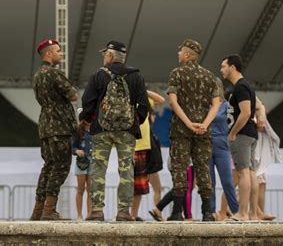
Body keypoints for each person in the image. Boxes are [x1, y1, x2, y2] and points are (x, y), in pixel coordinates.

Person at [79, 40, 148, 221]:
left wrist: (87, 120)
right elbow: (144, 106)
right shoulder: (136, 76)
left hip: (101, 130)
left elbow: (87, 102)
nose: (103, 57)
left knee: (98, 168)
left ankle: (96, 211)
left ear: (110, 56)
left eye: (105, 54)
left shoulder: (98, 76)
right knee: (126, 169)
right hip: (127, 131)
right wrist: (134, 121)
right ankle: (124, 212)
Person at [166, 39, 220, 221]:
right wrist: (204, 124)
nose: (178, 54)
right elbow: (216, 105)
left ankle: (177, 212)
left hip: (181, 129)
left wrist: (189, 123)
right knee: (203, 168)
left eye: (180, 51)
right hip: (204, 131)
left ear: (187, 55)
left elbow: (173, 102)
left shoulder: (176, 73)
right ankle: (207, 212)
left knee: (179, 168)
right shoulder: (210, 76)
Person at [30, 39, 79, 221]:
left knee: (48, 167)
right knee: (60, 168)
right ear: (48, 54)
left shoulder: (37, 76)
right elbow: (73, 95)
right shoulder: (54, 73)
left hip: (45, 126)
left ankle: (38, 210)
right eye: (58, 51)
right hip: (60, 127)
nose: (61, 54)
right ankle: (49, 210)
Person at [220, 54, 259, 221]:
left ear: (232, 67)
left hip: (243, 134)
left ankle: (243, 213)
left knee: (243, 173)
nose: (221, 70)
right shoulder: (244, 86)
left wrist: (233, 132)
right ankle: (253, 214)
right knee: (250, 173)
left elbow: (246, 113)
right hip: (250, 133)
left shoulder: (240, 87)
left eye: (223, 66)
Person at [131, 90, 165, 221]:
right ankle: (132, 214)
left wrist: (144, 90)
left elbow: (161, 100)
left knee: (144, 185)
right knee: (136, 185)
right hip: (136, 146)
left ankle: (145, 213)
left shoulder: (144, 100)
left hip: (147, 146)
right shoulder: (127, 101)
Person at [209, 78, 239, 219]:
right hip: (206, 145)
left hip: (223, 145)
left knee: (227, 181)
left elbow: (235, 122)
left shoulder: (227, 105)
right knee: (210, 183)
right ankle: (210, 212)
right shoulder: (204, 106)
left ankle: (237, 211)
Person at [72, 127, 93, 220]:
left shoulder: (95, 129)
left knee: (90, 191)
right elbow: (72, 147)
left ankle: (89, 214)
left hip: (92, 162)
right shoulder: (79, 131)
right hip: (81, 163)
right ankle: (79, 215)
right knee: (80, 189)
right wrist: (77, 151)